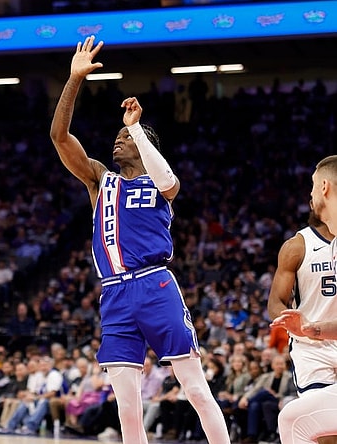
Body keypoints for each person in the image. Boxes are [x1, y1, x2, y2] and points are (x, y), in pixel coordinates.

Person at [49, 36, 230, 444]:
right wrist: (74, 79)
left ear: (145, 145)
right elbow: (59, 136)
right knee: (126, 406)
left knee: (196, 389)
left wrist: (138, 129)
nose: (118, 139)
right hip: (114, 293)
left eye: (126, 136)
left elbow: (169, 181)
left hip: (155, 285)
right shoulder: (100, 178)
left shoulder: (160, 182)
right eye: (119, 134)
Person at [271, 155, 337, 443]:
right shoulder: (297, 246)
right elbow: (276, 301)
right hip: (313, 348)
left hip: (326, 332)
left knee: (297, 420)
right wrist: (291, 322)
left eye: (312, 187)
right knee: (321, 430)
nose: (309, 195)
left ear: (323, 189)